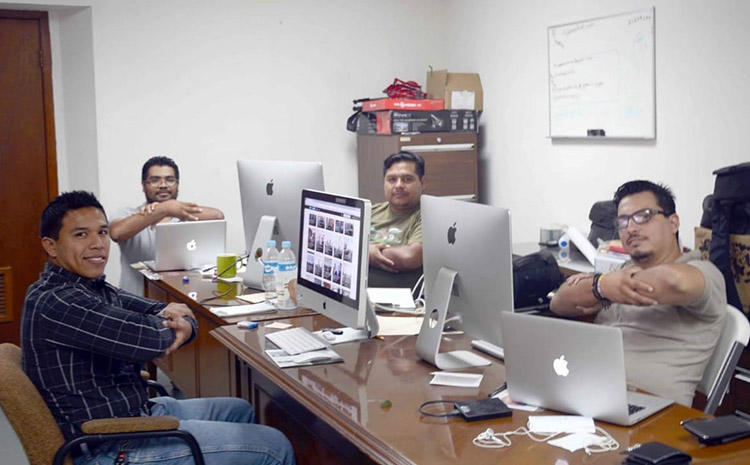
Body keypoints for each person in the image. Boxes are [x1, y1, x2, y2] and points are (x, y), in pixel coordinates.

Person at [22, 191, 295, 465]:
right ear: (51, 246)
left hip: (130, 410)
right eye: (81, 235)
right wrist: (176, 322)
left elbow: (157, 310)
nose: (98, 244)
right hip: (109, 443)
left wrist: (180, 319)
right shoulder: (60, 301)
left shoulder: (88, 287)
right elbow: (151, 340)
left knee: (240, 409)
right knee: (274, 446)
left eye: (103, 233)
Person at [550, 180, 726, 406]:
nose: (631, 228)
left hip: (653, 412)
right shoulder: (620, 273)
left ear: (673, 223)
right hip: (590, 394)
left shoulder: (704, 272)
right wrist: (602, 286)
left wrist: (606, 286)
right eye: (623, 221)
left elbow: (675, 282)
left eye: (644, 216)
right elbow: (560, 303)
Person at [110, 156, 224, 295]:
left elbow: (217, 216)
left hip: (179, 303)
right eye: (155, 180)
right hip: (136, 304)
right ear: (143, 185)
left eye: (170, 180)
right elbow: (116, 233)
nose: (163, 185)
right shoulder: (130, 214)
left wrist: (171, 209)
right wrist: (164, 209)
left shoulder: (185, 215)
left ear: (177, 184)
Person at [368, 151, 425, 274]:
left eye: (407, 179)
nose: (398, 185)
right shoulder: (371, 211)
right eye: (392, 179)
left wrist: (365, 252)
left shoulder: (427, 216)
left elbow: (409, 257)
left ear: (422, 182)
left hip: (397, 291)